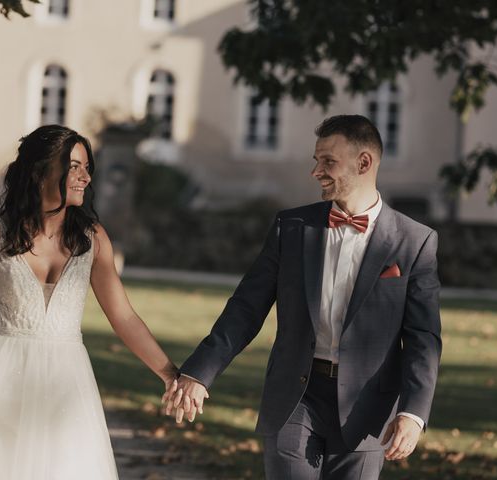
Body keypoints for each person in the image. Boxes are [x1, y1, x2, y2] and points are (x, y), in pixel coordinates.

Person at [165, 115, 442, 479]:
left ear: (364, 163)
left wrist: (413, 413)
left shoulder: (414, 241)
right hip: (295, 396)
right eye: (316, 160)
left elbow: (423, 337)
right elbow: (246, 307)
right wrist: (200, 373)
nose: (316, 171)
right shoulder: (292, 227)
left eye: (328, 161)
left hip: (368, 408)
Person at [0, 125, 178, 480]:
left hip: (67, 384)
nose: (85, 177)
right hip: (1, 378)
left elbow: (123, 316)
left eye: (86, 167)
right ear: (39, 172)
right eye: (74, 166)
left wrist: (168, 373)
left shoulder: (93, 240)